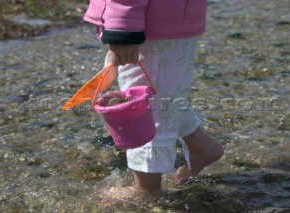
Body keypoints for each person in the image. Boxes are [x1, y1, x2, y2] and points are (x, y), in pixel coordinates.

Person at [84, 0, 224, 201]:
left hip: (149, 29)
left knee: (145, 109)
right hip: (169, 19)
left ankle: (147, 189)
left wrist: (123, 34)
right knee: (165, 97)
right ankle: (201, 147)